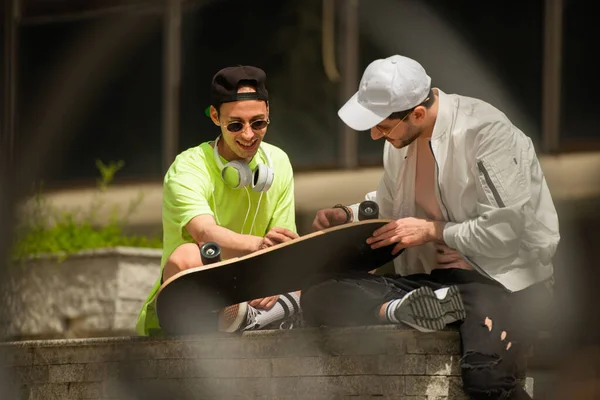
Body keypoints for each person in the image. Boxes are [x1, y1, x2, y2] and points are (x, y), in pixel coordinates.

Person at [301, 55, 559, 399]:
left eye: (382, 126)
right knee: (320, 292)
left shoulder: (487, 132)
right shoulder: (400, 143)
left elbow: (505, 230)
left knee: (485, 381)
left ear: (417, 114)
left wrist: (434, 231)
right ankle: (405, 309)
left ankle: (434, 308)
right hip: (438, 286)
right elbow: (393, 208)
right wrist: (346, 215)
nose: (376, 135)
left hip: (503, 280)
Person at [135, 65, 302, 337]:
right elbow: (205, 233)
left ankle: (248, 316)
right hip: (196, 295)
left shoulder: (278, 162)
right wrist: (261, 247)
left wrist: (277, 272)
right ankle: (264, 314)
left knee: (310, 263)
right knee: (187, 256)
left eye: (258, 123)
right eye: (236, 125)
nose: (249, 135)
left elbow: (284, 241)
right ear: (215, 116)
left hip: (255, 287)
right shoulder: (188, 166)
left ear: (268, 113)